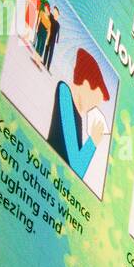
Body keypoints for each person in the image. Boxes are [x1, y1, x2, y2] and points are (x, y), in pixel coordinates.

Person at [47, 48, 109, 179]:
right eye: (95, 101)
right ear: (86, 84)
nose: (94, 108)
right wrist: (93, 141)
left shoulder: (78, 117)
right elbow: (76, 168)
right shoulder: (64, 93)